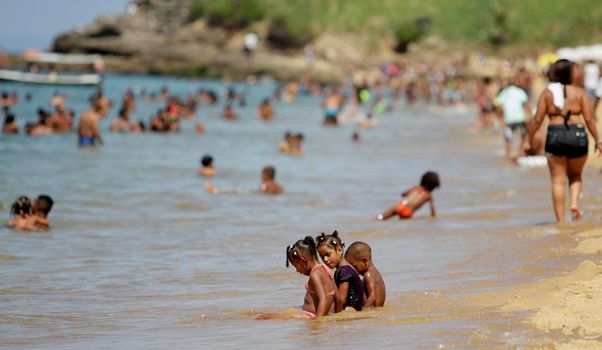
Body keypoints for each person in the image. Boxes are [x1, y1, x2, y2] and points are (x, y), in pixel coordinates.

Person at [526, 59, 602, 223]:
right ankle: (574, 203)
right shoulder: (579, 92)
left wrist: (528, 139)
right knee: (575, 175)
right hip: (578, 135)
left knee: (558, 181)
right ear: (569, 73)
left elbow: (537, 120)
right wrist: (598, 140)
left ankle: (560, 222)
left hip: (555, 136)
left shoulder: (547, 93)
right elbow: (589, 120)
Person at [258, 236, 336, 320]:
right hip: (312, 313)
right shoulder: (325, 269)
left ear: (302, 261)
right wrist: (336, 314)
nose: (297, 270)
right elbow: (338, 298)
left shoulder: (315, 275)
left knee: (264, 317)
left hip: (309, 315)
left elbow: (323, 298)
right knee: (270, 313)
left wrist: (318, 321)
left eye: (296, 266)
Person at [316, 231, 363, 312]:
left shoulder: (344, 271)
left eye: (328, 254)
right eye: (322, 257)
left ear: (339, 250)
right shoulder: (345, 268)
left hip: (350, 311)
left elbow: (341, 300)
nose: (325, 260)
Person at [495, 75, 531, 160]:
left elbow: (499, 107)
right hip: (520, 118)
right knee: (523, 134)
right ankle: (520, 152)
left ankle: (508, 154)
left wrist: (500, 118)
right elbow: (525, 105)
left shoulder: (505, 92)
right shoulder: (520, 91)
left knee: (508, 137)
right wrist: (530, 115)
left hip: (509, 119)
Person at [345, 242, 386, 308]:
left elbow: (373, 296)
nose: (354, 271)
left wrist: (363, 310)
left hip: (372, 309)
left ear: (364, 261)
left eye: (354, 267)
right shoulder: (375, 272)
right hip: (377, 309)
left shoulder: (368, 274)